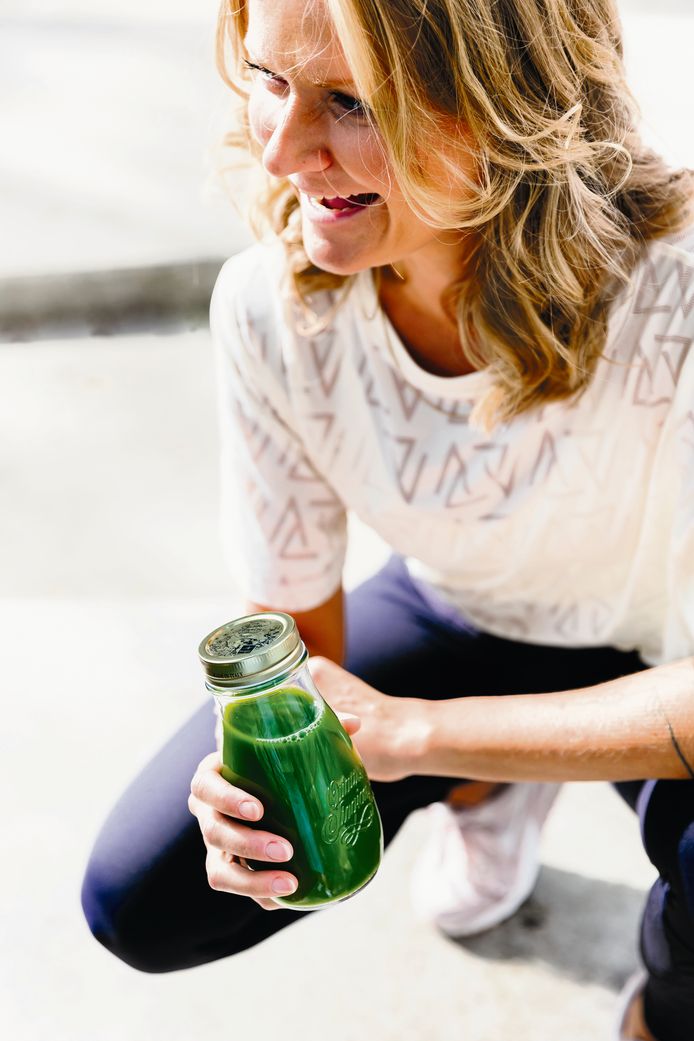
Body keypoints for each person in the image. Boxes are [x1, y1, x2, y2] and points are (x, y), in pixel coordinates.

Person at [80, 1, 694, 1038]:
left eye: (353, 102)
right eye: (270, 79)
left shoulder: (678, 290)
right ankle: (489, 788)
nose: (282, 152)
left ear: (512, 98)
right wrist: (266, 777)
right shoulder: (270, 308)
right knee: (144, 900)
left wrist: (420, 735)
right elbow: (302, 658)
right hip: (464, 610)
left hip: (664, 651)